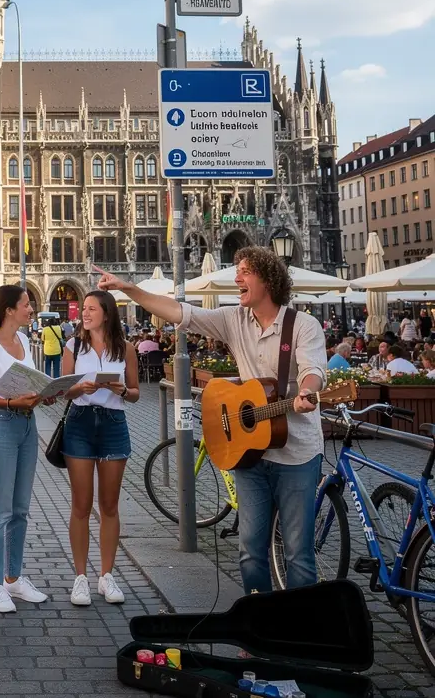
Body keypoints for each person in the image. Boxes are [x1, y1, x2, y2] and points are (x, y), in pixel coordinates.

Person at [99, 246, 327, 594]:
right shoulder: (234, 319)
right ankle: (258, 630)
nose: (237, 278)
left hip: (295, 454)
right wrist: (128, 289)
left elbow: (313, 370)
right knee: (250, 550)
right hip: (250, 453)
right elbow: (178, 311)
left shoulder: (303, 325)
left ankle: (300, 636)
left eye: (245, 271)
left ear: (267, 279)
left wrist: (308, 391)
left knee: (297, 553)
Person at [0, 285, 59, 613]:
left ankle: (14, 578)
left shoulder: (23, 341)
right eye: (26, 304)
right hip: (1, 426)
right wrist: (9, 401)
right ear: (9, 310)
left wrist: (44, 392)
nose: (31, 309)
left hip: (27, 425)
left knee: (20, 508)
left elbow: (30, 380)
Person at [60, 290, 139, 607]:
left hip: (113, 424)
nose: (85, 313)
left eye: (91, 309)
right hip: (79, 422)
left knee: (109, 505)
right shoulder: (73, 346)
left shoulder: (126, 349)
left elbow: (135, 394)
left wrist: (122, 389)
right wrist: (79, 387)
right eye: (84, 309)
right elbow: (63, 391)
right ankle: (80, 578)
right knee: (81, 504)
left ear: (107, 313)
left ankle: (106, 575)